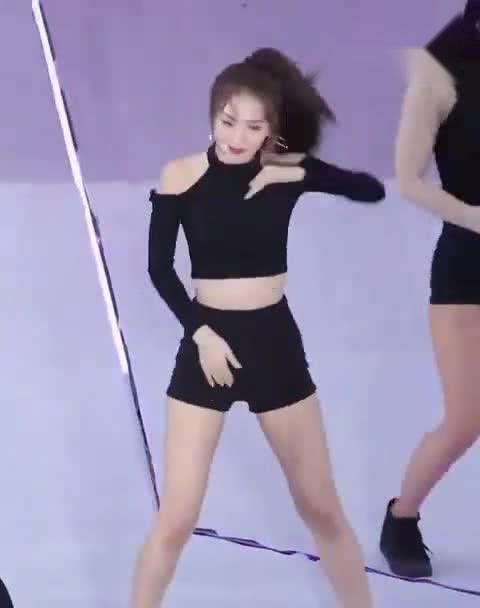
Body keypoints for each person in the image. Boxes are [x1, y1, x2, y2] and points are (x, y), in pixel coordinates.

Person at [132, 47, 385, 608]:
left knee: (321, 508)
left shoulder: (281, 171)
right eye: (228, 121)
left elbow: (371, 189)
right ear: (212, 115)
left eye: (253, 126)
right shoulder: (181, 175)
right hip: (207, 343)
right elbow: (158, 269)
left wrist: (293, 170)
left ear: (271, 128)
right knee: (177, 517)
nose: (237, 137)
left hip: (274, 344)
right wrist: (200, 333)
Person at [380, 1, 480, 579]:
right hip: (470, 267)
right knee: (467, 418)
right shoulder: (439, 69)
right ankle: (402, 517)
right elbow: (409, 179)